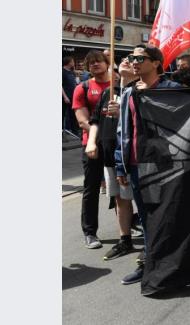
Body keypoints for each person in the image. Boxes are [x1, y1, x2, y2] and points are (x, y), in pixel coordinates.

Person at [115, 44, 182, 285]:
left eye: (140, 58)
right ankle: (150, 264)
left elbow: (183, 119)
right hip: (134, 164)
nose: (134, 61)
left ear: (156, 63)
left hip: (162, 164)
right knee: (146, 218)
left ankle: (172, 265)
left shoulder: (171, 89)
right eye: (131, 57)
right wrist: (120, 164)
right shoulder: (128, 93)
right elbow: (123, 130)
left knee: (166, 215)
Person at [86, 57, 138, 260]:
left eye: (133, 59)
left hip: (129, 157)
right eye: (124, 59)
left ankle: (152, 242)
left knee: (140, 200)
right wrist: (92, 141)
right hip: (109, 155)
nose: (126, 61)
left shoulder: (139, 91)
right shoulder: (110, 91)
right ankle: (125, 240)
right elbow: (95, 120)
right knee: (120, 198)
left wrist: (123, 112)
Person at [73, 50, 112, 250]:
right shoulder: (83, 88)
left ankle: (129, 223)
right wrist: (98, 135)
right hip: (93, 145)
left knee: (123, 187)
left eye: (99, 61)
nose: (95, 65)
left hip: (116, 144)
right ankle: (90, 232)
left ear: (107, 63)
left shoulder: (118, 85)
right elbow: (82, 120)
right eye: (91, 64)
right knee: (91, 188)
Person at [63, 56, 79, 135]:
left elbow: (75, 83)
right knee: (63, 114)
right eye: (72, 61)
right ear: (69, 62)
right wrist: (65, 97)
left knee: (73, 114)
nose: (73, 63)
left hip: (73, 96)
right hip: (65, 97)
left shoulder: (72, 72)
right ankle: (63, 131)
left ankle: (74, 132)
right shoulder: (62, 71)